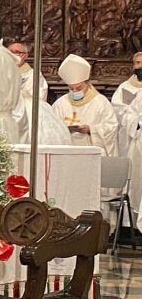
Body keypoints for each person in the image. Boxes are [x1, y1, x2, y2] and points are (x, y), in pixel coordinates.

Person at [53, 54, 119, 156]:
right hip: (67, 154)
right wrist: (65, 130)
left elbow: (111, 128)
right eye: (71, 88)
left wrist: (91, 129)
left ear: (87, 83)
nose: (75, 91)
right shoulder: (60, 104)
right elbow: (52, 129)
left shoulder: (101, 102)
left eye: (79, 88)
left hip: (93, 154)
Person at [9, 41, 69, 145]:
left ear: (25, 55)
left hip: (28, 112)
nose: (13, 55)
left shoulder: (34, 74)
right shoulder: (1, 71)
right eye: (10, 52)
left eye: (17, 52)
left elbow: (39, 95)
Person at [113, 53, 142, 214]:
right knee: (133, 176)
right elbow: (119, 109)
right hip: (131, 137)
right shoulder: (124, 87)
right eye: (137, 63)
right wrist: (135, 123)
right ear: (133, 65)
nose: (140, 66)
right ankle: (128, 218)